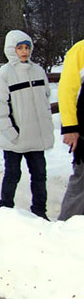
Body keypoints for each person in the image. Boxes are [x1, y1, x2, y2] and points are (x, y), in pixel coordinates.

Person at [0, 31, 54, 219]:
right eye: (20, 48)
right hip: (16, 136)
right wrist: (11, 132)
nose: (24, 52)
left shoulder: (38, 71)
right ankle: (5, 211)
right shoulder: (4, 74)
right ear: (12, 49)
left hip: (36, 134)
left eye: (27, 47)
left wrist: (46, 127)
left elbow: (44, 100)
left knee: (39, 175)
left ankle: (40, 211)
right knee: (12, 174)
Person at [58, 38, 84, 220]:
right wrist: (69, 126)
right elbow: (67, 89)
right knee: (82, 182)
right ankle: (66, 228)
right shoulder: (80, 50)